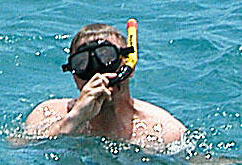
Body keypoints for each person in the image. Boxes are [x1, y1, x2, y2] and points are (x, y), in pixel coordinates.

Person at [21, 21, 187, 151]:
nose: (97, 73)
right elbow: (21, 152)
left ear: (129, 67)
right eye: (83, 63)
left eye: (107, 58)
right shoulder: (46, 115)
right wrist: (73, 120)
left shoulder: (164, 131)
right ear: (75, 76)